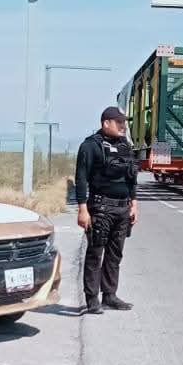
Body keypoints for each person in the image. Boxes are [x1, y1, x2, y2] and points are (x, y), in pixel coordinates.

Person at [75, 106, 138, 315]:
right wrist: (83, 209)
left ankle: (109, 295)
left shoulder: (125, 146)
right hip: (100, 208)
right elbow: (81, 178)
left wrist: (134, 203)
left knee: (115, 255)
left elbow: (132, 178)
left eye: (124, 123)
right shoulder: (90, 146)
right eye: (119, 122)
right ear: (106, 123)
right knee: (95, 254)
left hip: (122, 208)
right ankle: (92, 300)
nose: (123, 126)